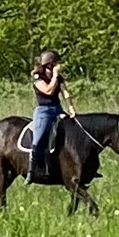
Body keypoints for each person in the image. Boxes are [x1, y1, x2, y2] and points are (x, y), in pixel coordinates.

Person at [28, 47, 76, 181]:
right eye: (56, 63)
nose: (59, 66)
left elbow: (65, 93)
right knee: (38, 139)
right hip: (44, 111)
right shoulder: (38, 77)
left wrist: (71, 109)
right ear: (50, 64)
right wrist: (54, 76)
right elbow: (48, 91)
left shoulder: (59, 78)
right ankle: (32, 170)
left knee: (73, 131)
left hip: (57, 109)